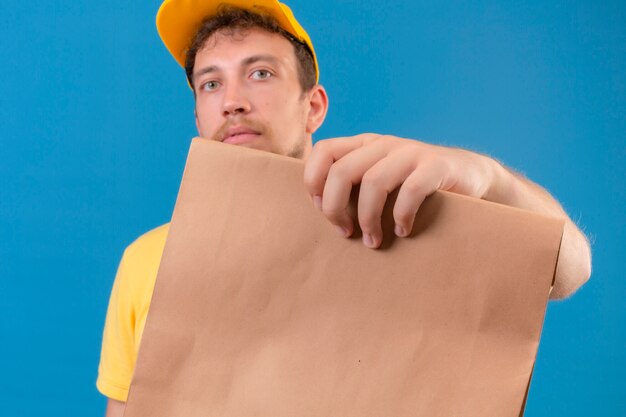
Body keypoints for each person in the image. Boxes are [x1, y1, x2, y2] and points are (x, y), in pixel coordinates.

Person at [98, 0, 592, 415]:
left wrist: (487, 176)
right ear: (198, 114)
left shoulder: (391, 215)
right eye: (211, 83)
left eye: (260, 73)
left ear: (313, 106)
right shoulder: (146, 259)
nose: (232, 101)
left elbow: (570, 268)